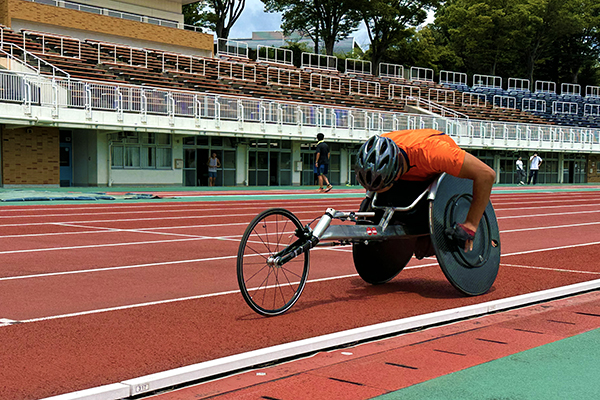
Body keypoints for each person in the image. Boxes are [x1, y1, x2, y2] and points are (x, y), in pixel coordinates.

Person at [355, 129, 496, 253]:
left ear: (397, 175)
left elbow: (487, 175)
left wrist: (470, 225)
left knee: (423, 244)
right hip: (409, 168)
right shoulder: (378, 147)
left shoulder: (435, 154)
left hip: (434, 174)